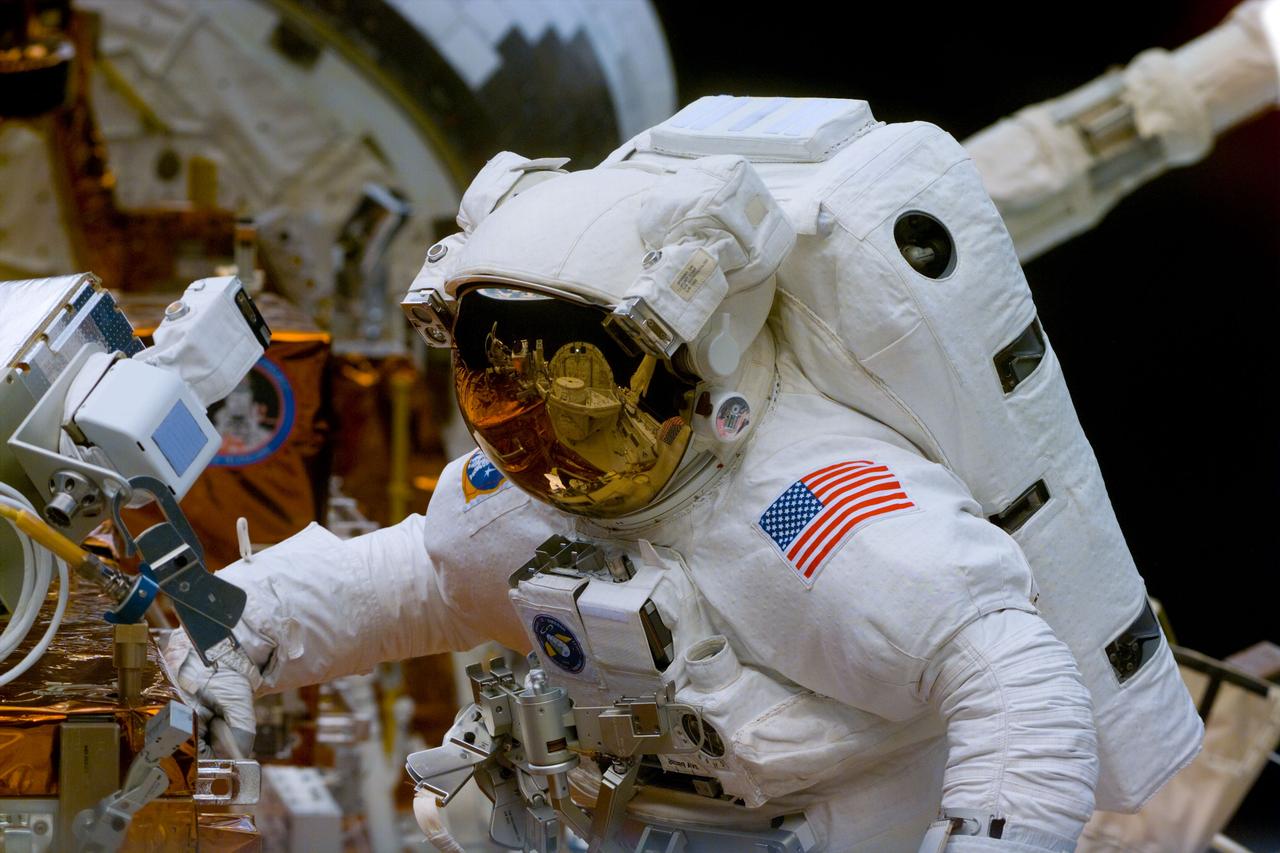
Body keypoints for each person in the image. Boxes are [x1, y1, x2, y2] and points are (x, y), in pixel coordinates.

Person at [163, 100, 1190, 852]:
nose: (540, 439)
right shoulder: (520, 500)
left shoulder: (812, 511)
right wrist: (218, 626)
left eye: (578, 403)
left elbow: (1015, 684)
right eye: (503, 391)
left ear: (700, 380)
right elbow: (403, 583)